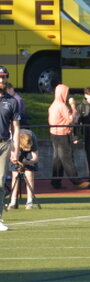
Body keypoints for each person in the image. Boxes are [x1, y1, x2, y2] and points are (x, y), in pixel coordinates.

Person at [48, 84, 90, 190]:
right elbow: (72, 119)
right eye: (66, 93)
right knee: (67, 158)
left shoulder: (53, 105)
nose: (67, 95)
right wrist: (73, 106)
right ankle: (76, 182)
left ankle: (56, 182)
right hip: (62, 134)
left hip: (54, 134)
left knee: (58, 158)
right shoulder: (62, 106)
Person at [0, 66, 21, 231]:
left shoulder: (12, 101)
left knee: (1, 182)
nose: (2, 80)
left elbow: (16, 127)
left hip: (4, 143)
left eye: (4, 77)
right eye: (0, 77)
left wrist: (16, 148)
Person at [6, 130, 39, 210]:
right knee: (15, 176)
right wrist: (16, 161)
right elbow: (9, 156)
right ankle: (13, 202)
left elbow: (35, 158)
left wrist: (27, 162)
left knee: (29, 175)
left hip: (27, 158)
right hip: (15, 153)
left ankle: (29, 202)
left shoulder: (32, 137)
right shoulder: (12, 139)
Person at [74, 87, 90, 180]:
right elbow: (76, 122)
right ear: (86, 96)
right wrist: (75, 136)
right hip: (88, 134)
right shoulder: (81, 106)